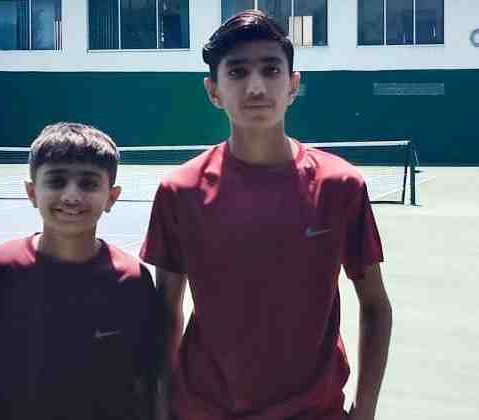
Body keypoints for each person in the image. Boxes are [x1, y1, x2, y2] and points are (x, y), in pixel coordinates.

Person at [140, 9, 392, 420]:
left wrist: (365, 411)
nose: (256, 86)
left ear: (293, 85)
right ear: (213, 90)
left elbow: (375, 304)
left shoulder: (340, 185)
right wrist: (161, 406)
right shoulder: (179, 191)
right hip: (204, 410)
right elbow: (167, 310)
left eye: (271, 70)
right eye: (237, 72)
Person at [0, 122, 161, 420]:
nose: (71, 196)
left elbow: (145, 382)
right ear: (31, 192)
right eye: (56, 181)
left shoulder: (133, 279)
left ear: (112, 197)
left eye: (89, 184)